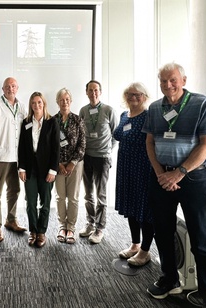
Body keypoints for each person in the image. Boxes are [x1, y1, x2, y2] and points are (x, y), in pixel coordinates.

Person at [142, 63, 206, 307]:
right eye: (163, 81)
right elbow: (150, 143)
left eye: (173, 80)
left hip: (193, 178)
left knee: (200, 238)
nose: (168, 85)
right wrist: (160, 174)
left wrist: (178, 173)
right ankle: (169, 279)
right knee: (163, 232)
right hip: (161, 178)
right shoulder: (155, 108)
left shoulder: (202, 103)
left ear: (183, 80)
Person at [114, 82, 154, 266]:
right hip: (125, 167)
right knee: (130, 206)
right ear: (125, 97)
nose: (134, 97)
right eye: (130, 94)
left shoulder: (148, 116)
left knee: (144, 209)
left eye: (138, 95)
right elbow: (117, 135)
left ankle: (145, 251)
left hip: (142, 168)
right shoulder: (124, 115)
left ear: (145, 97)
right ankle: (135, 245)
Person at [0, 77, 27, 243]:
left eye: (14, 86)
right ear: (3, 89)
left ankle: (11, 220)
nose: (11, 88)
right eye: (7, 86)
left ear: (17, 88)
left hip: (17, 158)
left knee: (15, 190)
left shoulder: (22, 107)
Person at [78, 80, 118, 244]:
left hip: (102, 158)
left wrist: (108, 151)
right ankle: (90, 223)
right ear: (86, 92)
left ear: (100, 92)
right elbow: (80, 134)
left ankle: (100, 228)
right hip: (86, 157)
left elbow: (116, 134)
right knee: (88, 195)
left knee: (100, 195)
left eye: (96, 90)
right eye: (90, 90)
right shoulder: (83, 111)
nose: (93, 93)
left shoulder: (109, 110)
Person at [18, 92, 60, 248]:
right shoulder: (26, 122)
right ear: (31, 105)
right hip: (29, 169)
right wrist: (21, 168)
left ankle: (41, 232)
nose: (36, 105)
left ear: (44, 104)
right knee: (30, 202)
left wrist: (53, 170)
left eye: (39, 102)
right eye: (34, 103)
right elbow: (22, 147)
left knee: (45, 202)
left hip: (46, 170)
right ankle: (33, 231)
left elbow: (56, 149)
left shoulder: (52, 122)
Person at [53, 88, 86, 244]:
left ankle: (71, 228)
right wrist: (58, 163)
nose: (64, 102)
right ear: (57, 102)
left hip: (75, 165)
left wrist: (72, 163)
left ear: (70, 101)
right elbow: (50, 145)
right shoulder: (52, 121)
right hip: (57, 165)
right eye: (61, 99)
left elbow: (82, 144)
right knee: (60, 197)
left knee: (73, 197)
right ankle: (62, 226)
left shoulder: (77, 120)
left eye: (67, 99)